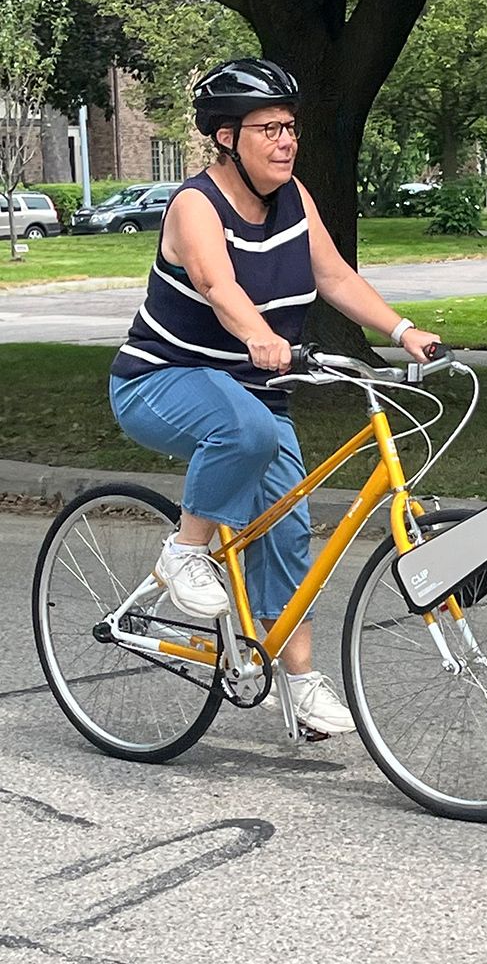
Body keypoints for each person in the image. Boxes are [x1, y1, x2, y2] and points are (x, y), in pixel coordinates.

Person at [107, 58, 442, 736]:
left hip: (256, 394)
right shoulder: (195, 206)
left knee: (289, 531)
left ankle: (299, 687)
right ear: (226, 137)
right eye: (269, 129)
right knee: (248, 433)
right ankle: (185, 552)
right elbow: (217, 283)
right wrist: (261, 337)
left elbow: (334, 276)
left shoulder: (295, 200)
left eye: (290, 127)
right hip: (159, 380)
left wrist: (404, 331)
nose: (286, 141)